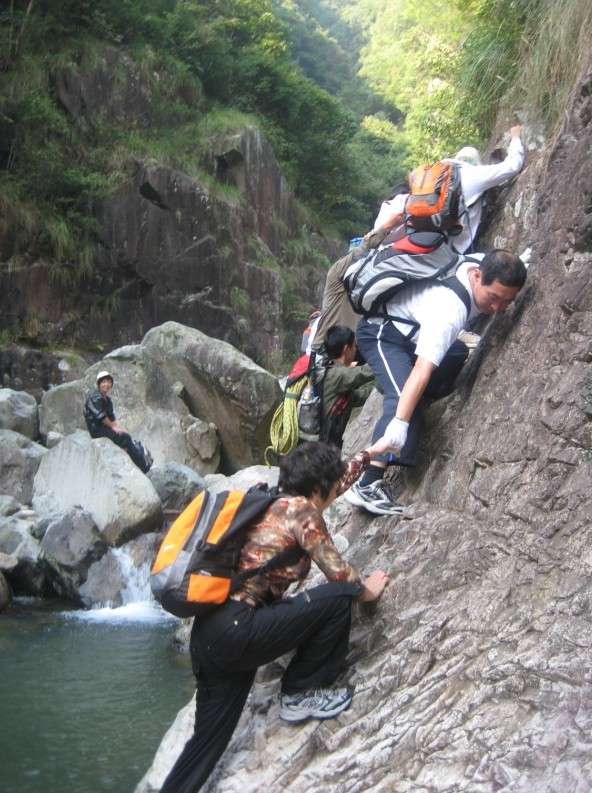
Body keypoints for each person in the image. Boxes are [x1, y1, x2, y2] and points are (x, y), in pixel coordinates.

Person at [159, 439, 392, 793]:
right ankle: (300, 692)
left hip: (210, 638)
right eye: (328, 487)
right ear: (316, 489)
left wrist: (368, 456)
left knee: (206, 745)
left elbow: (334, 484)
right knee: (339, 597)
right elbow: (339, 574)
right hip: (240, 629)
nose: (334, 489)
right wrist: (367, 590)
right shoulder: (303, 511)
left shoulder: (272, 499)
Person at [344, 249, 528, 516]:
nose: (498, 307)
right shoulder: (449, 310)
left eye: (506, 301)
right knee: (404, 398)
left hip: (412, 332)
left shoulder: (482, 264)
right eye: (494, 298)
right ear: (477, 277)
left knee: (456, 353)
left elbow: (500, 262)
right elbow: (421, 371)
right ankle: (368, 482)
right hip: (381, 332)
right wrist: (401, 423)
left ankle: (409, 393)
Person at [373, 124, 526, 256]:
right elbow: (512, 167)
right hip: (452, 249)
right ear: (476, 163)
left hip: (420, 244)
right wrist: (516, 138)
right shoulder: (472, 174)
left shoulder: (431, 178)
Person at [83, 370, 152, 473]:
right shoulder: (95, 397)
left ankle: (138, 463)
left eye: (109, 382)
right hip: (96, 429)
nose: (106, 384)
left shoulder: (108, 400)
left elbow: (111, 417)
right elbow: (100, 416)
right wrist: (114, 427)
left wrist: (117, 428)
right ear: (99, 384)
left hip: (103, 428)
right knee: (126, 439)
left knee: (125, 437)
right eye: (104, 382)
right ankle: (143, 467)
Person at [318, 324, 374, 448]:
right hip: (323, 447)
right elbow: (365, 372)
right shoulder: (338, 375)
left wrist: (378, 390)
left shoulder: (329, 368)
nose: (356, 349)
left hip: (322, 443)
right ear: (346, 349)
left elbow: (355, 397)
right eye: (354, 345)